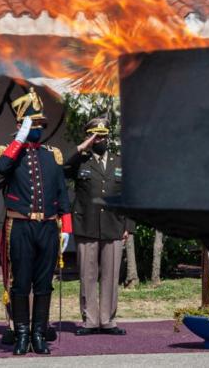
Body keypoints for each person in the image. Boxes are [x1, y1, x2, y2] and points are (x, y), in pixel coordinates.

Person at [0, 88, 73, 355]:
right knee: (21, 282)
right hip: (20, 226)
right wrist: (20, 140)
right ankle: (22, 333)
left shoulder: (52, 155)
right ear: (21, 125)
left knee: (44, 282)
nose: (38, 128)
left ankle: (39, 333)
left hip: (48, 226)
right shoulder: (9, 154)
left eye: (40, 125)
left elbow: (62, 194)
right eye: (32, 124)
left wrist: (67, 227)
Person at [63, 116, 132, 336]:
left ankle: (107, 319)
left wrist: (128, 226)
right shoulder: (81, 161)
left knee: (111, 275)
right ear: (90, 137)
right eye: (96, 135)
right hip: (87, 224)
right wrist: (82, 146)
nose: (101, 139)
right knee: (88, 274)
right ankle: (90, 320)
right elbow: (62, 167)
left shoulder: (119, 161)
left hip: (114, 224)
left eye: (103, 135)